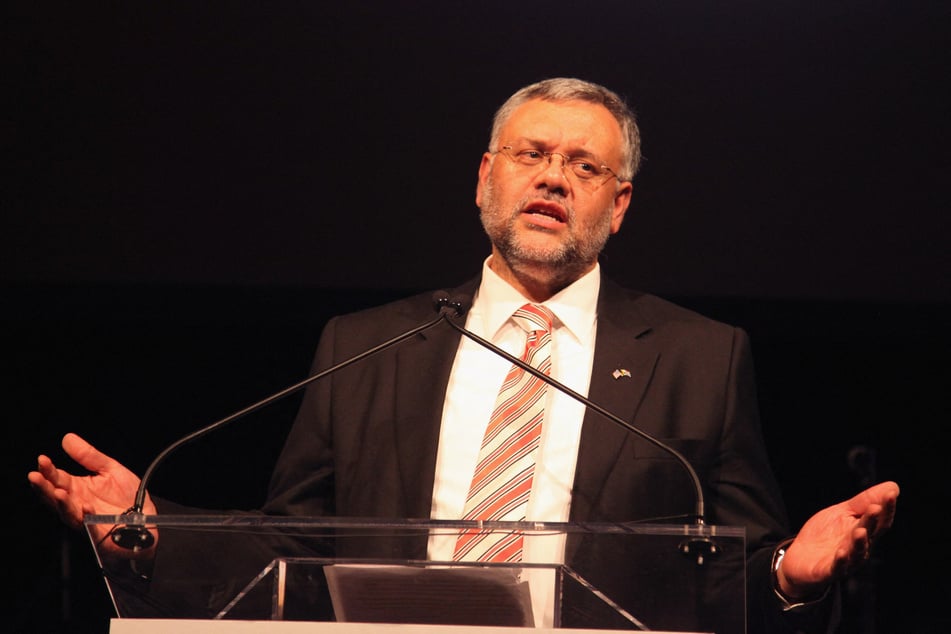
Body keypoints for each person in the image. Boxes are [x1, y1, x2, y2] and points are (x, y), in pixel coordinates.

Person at [29, 77, 899, 633]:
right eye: (531, 154)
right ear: (486, 177)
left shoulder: (700, 357)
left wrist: (792, 571)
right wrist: (154, 533)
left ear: (619, 203)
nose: (552, 177)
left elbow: (728, 562)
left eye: (582, 166)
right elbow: (289, 546)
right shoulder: (366, 345)